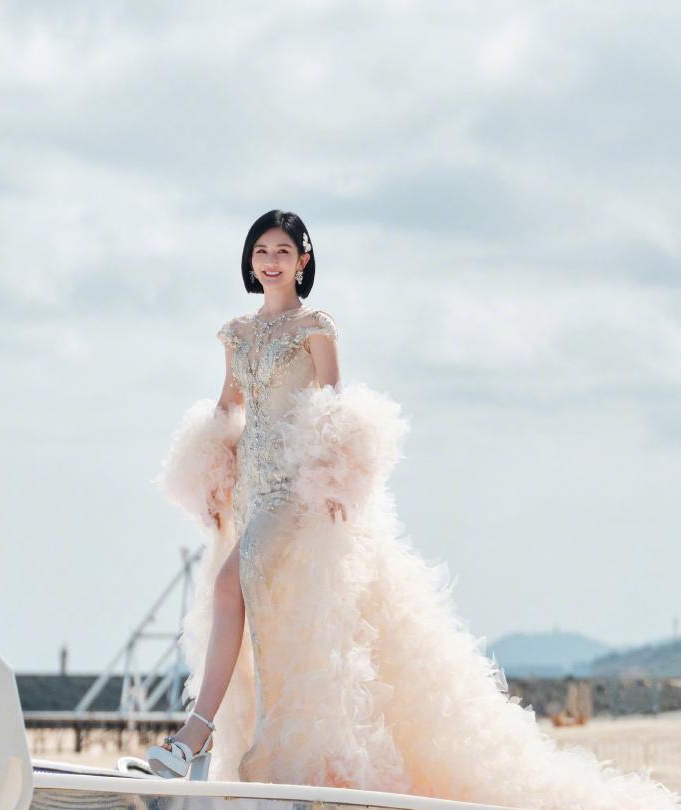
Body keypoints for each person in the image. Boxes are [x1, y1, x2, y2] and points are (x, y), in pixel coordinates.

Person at [147, 210, 679, 809]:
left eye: (283, 251)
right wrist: (209, 472)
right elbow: (228, 407)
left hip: (294, 490)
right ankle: (263, 752)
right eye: (262, 251)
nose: (271, 261)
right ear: (250, 261)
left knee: (232, 585)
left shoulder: (316, 326)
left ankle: (196, 734)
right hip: (251, 486)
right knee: (269, 613)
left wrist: (335, 479)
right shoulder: (237, 334)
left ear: (303, 261)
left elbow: (334, 405)